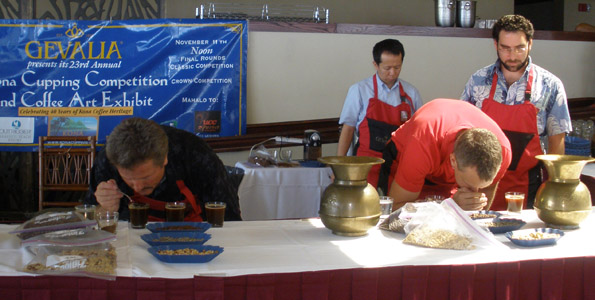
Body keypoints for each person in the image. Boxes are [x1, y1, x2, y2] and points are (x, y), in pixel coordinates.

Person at [460, 14, 571, 210]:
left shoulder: (550, 85)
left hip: (527, 187)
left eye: (519, 48)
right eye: (505, 48)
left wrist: (554, 185)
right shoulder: (478, 80)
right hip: (480, 185)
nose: (512, 56)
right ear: (496, 45)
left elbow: (556, 140)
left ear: (530, 44)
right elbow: (460, 131)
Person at [84, 117, 242, 221]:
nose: (138, 187)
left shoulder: (194, 153)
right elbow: (88, 221)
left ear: (165, 158)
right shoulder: (107, 159)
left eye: (145, 178)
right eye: (129, 180)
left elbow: (229, 218)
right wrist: (104, 208)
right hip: (130, 241)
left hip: (194, 237)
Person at [377, 99, 512, 211]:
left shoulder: (503, 151)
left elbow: (480, 212)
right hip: (408, 155)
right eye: (468, 184)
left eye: (481, 187)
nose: (474, 192)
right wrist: (451, 206)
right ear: (453, 160)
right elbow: (396, 209)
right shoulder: (423, 142)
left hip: (440, 160)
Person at [337, 39, 423, 188]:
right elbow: (348, 128)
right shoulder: (359, 90)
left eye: (397, 67)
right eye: (387, 68)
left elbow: (419, 133)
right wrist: (338, 167)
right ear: (375, 65)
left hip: (399, 168)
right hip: (365, 167)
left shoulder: (411, 94)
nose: (392, 72)